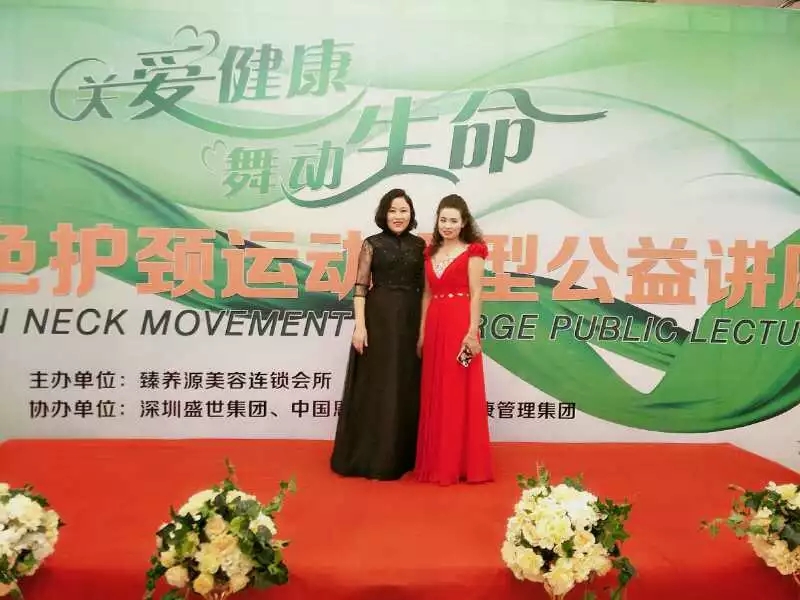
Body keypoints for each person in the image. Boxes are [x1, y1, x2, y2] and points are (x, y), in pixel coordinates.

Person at [330, 188, 426, 480]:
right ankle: (372, 456)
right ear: (384, 214)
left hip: (410, 320)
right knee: (378, 386)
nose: (398, 216)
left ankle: (403, 456)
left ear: (411, 214)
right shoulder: (371, 244)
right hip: (378, 319)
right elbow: (360, 288)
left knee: (405, 385)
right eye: (393, 210)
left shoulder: (420, 245)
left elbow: (426, 291)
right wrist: (360, 326)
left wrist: (424, 329)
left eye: (403, 211)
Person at [414, 194, 493, 485]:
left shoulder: (473, 251)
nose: (447, 225)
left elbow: (477, 293)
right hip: (435, 323)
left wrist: (472, 331)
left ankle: (460, 464)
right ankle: (437, 460)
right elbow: (426, 294)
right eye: (443, 220)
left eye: (453, 220)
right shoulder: (429, 253)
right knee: (435, 390)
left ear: (463, 223)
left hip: (460, 323)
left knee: (457, 391)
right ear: (437, 221)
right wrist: (422, 333)